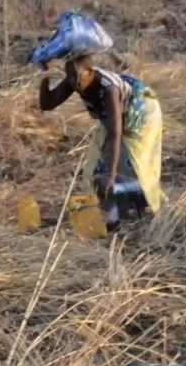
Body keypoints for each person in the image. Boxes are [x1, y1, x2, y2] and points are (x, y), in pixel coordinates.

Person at [37, 52, 164, 233]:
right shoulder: (77, 79)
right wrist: (45, 77)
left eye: (76, 77)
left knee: (132, 164)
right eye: (69, 77)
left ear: (89, 71)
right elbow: (47, 104)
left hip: (142, 111)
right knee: (97, 171)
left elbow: (115, 133)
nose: (73, 82)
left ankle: (143, 204)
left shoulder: (108, 89)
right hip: (116, 118)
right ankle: (114, 220)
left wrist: (111, 176)